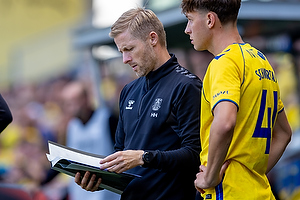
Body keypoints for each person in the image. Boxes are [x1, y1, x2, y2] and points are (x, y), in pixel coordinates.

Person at [75, 8, 202, 200]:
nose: (125, 59)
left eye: (129, 49)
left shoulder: (186, 86)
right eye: (121, 52)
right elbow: (121, 157)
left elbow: (195, 155)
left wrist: (144, 157)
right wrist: (100, 180)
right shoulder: (128, 91)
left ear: (152, 39)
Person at [181, 0, 292, 199]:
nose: (187, 30)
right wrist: (252, 173)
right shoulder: (261, 60)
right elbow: (284, 133)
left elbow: (224, 122)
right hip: (260, 193)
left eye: (189, 20)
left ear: (210, 20)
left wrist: (209, 178)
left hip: (229, 193)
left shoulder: (223, 62)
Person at [61, 80, 120, 200]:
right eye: (67, 104)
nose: (70, 107)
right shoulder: (72, 127)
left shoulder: (107, 119)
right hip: (80, 193)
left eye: (73, 102)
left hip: (107, 192)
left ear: (86, 99)